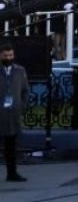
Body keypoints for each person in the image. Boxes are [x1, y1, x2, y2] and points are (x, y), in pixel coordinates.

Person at [0, 43, 27, 182]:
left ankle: (12, 173)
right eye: (5, 56)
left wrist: (21, 106)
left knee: (11, 146)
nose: (8, 58)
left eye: (10, 55)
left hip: (13, 113)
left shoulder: (20, 70)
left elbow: (25, 91)